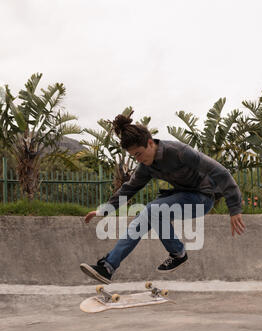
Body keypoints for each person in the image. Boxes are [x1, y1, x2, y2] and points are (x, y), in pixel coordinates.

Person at [80, 112, 245, 284]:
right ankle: (108, 267)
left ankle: (178, 253)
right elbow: (129, 188)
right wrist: (104, 210)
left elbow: (220, 172)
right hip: (182, 196)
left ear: (150, 143)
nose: (139, 160)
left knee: (154, 209)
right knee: (142, 218)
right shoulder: (145, 167)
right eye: (134, 156)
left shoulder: (180, 152)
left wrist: (234, 208)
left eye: (139, 154)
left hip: (203, 198)